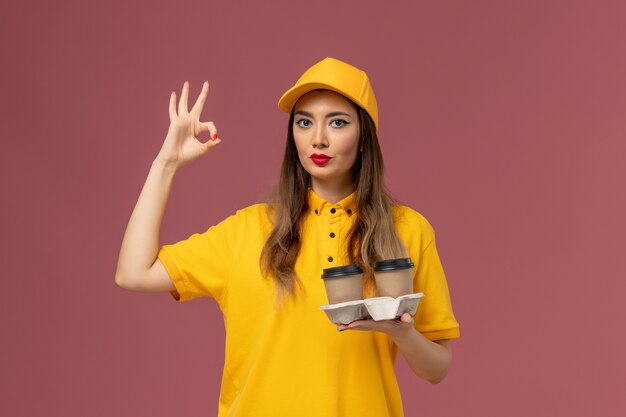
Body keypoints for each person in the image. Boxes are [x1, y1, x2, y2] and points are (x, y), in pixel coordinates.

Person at [115, 57, 460, 417]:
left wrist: (401, 333)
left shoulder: (408, 230)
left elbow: (437, 368)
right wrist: (165, 164)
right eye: (304, 122)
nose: (318, 139)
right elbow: (133, 273)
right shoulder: (247, 229)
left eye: (338, 123)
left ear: (363, 139)